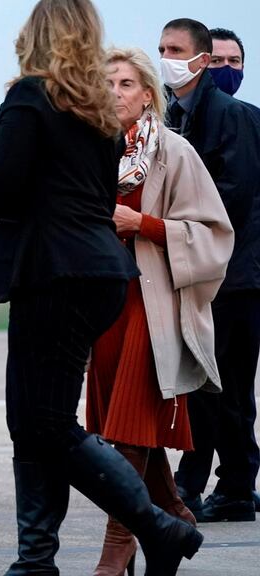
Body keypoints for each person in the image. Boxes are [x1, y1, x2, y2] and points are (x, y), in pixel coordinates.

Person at [0, 1, 203, 574]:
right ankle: (35, 558)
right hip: (96, 272)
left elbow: (7, 184)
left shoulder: (29, 95)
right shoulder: (98, 108)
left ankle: (157, 528)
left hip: (55, 274)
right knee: (31, 419)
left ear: (34, 36)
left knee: (45, 423)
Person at [87, 46, 234, 576]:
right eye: (106, 83)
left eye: (126, 84)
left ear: (148, 93)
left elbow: (215, 234)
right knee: (121, 429)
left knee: (129, 429)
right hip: (103, 306)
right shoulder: (92, 150)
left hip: (152, 308)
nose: (115, 93)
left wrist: (143, 226)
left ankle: (117, 545)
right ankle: (173, 515)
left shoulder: (174, 152)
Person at [160, 18, 260, 523]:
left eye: (232, 61)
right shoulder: (173, 113)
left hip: (234, 274)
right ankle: (234, 485)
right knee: (214, 386)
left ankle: (201, 484)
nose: (224, 69)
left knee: (225, 388)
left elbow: (232, 200)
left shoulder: (234, 117)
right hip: (201, 268)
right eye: (217, 60)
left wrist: (166, 225)